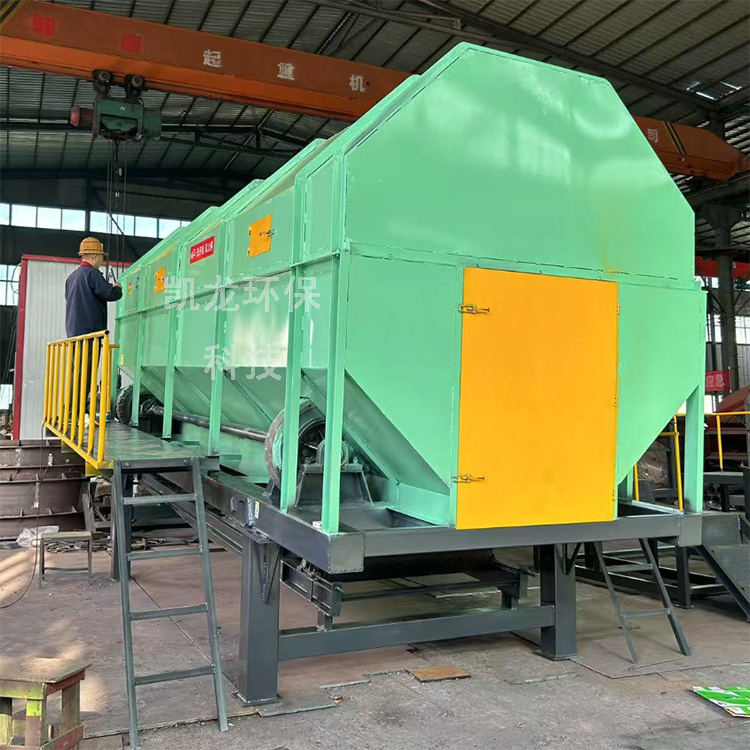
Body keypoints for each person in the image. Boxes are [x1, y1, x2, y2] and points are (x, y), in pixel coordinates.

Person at [65, 237, 123, 338]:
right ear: (94, 257)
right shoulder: (92, 273)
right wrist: (118, 288)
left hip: (73, 335)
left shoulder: (71, 278)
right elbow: (111, 294)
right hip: (90, 334)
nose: (102, 260)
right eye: (101, 257)